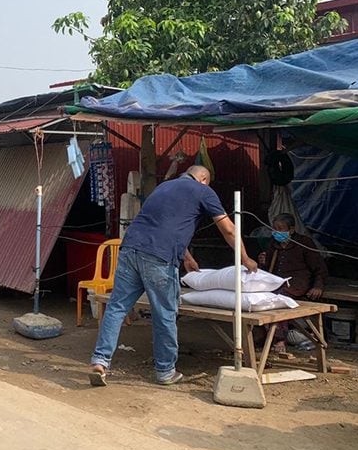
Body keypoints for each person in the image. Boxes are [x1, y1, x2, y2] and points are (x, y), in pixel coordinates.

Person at [89, 165, 258, 387]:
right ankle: (165, 371)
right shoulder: (203, 191)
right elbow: (228, 229)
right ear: (204, 179)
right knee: (165, 314)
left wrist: (185, 256)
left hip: (130, 248)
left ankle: (100, 362)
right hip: (158, 257)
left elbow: (165, 224)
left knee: (116, 307)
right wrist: (245, 258)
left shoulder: (163, 187)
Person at [261, 212, 327, 352]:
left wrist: (318, 286)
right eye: (275, 228)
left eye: (280, 228)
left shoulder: (304, 243)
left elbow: (319, 268)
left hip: (297, 284)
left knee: (280, 299)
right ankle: (264, 337)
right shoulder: (274, 244)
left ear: (291, 229)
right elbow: (268, 268)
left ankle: (279, 340)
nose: (277, 232)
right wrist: (263, 262)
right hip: (277, 282)